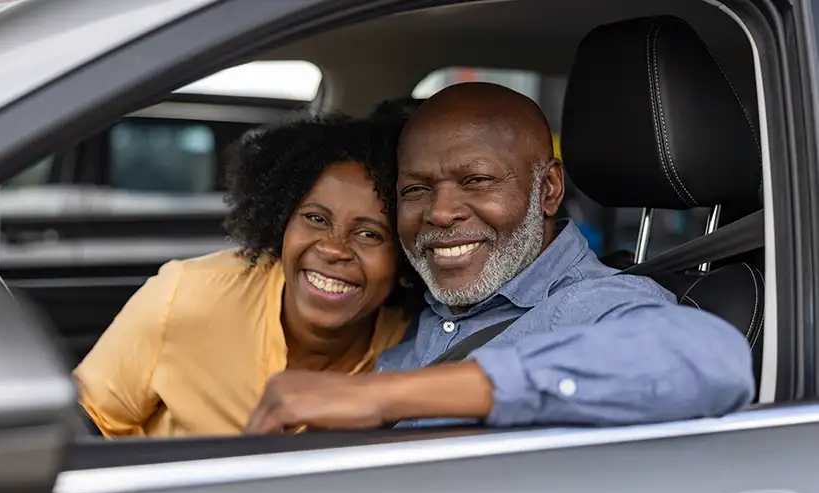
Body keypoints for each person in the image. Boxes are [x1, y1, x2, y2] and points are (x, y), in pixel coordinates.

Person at [244, 83, 755, 434]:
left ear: (548, 189)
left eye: (477, 181)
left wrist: (384, 396)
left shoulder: (601, 305)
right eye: (417, 189)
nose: (440, 213)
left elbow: (711, 361)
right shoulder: (406, 304)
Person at [74, 116, 417, 437]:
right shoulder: (186, 295)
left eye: (370, 234)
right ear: (282, 222)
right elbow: (84, 423)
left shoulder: (417, 344)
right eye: (315, 219)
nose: (333, 249)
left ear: (405, 256)